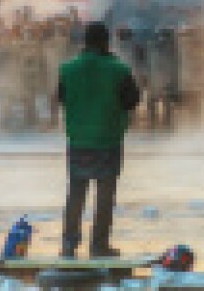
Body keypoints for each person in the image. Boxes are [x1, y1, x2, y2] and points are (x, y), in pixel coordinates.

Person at [57, 22, 140, 258]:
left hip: (79, 139)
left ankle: (69, 243)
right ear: (106, 41)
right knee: (104, 196)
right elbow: (132, 100)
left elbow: (62, 98)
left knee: (75, 193)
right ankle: (99, 244)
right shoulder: (118, 69)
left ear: (85, 41)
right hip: (107, 138)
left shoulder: (68, 69)